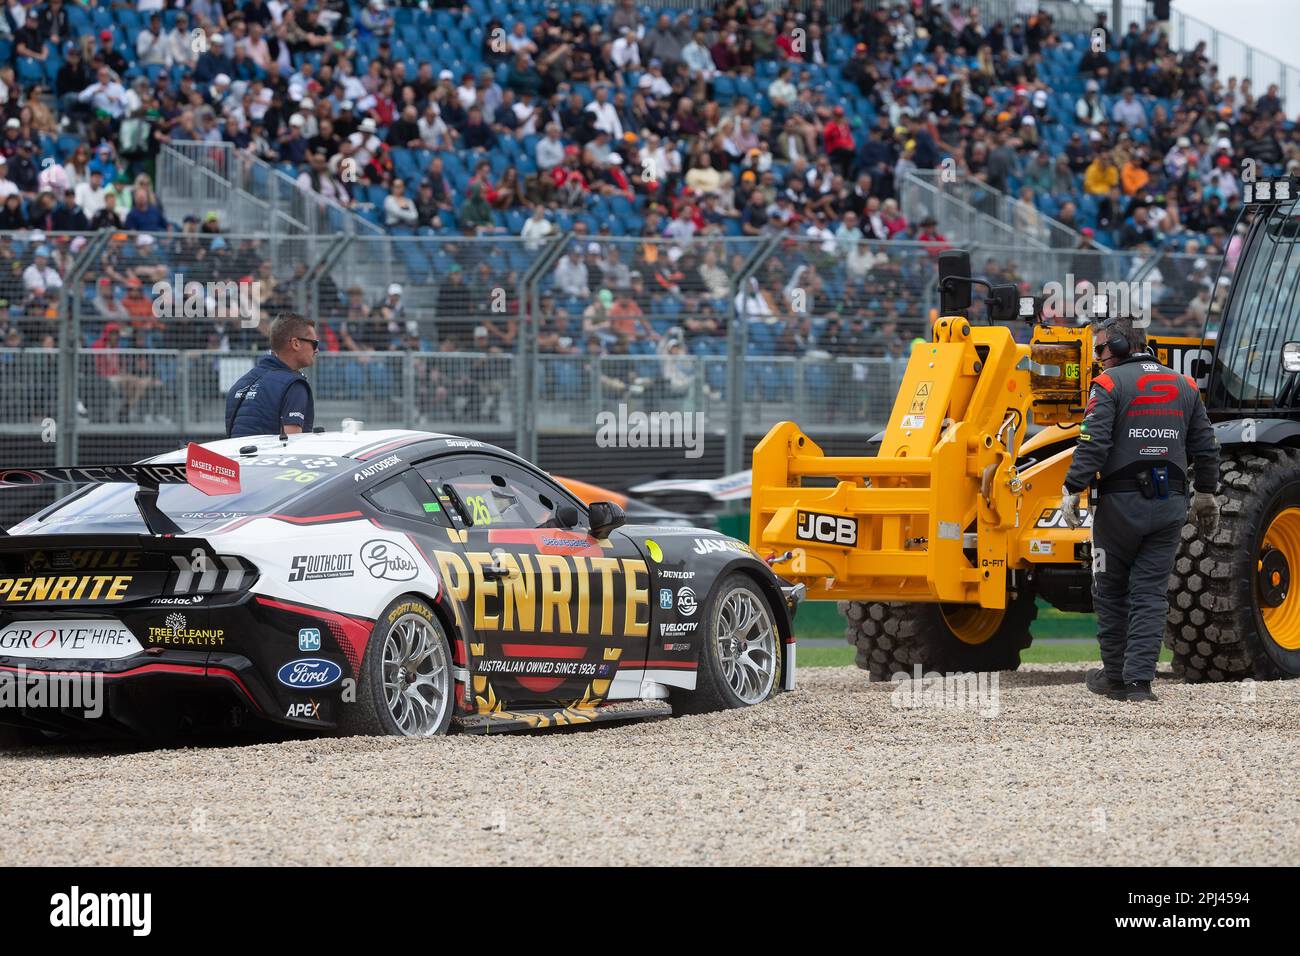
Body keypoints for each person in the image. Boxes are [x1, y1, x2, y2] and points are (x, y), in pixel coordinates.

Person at [1060, 317, 1220, 702]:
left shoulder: (1108, 385)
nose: (1098, 358)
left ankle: (1115, 677)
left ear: (1117, 345)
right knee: (1149, 593)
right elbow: (1207, 446)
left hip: (1118, 508)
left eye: (1099, 349)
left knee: (1111, 590)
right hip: (1170, 506)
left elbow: (1093, 444)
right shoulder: (1184, 385)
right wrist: (1206, 494)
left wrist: (1072, 487)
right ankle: (1139, 684)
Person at [224, 312, 318, 438]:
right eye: (314, 343)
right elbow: (293, 446)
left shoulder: (239, 384)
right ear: (296, 343)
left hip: (236, 457)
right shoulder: (294, 385)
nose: (316, 350)